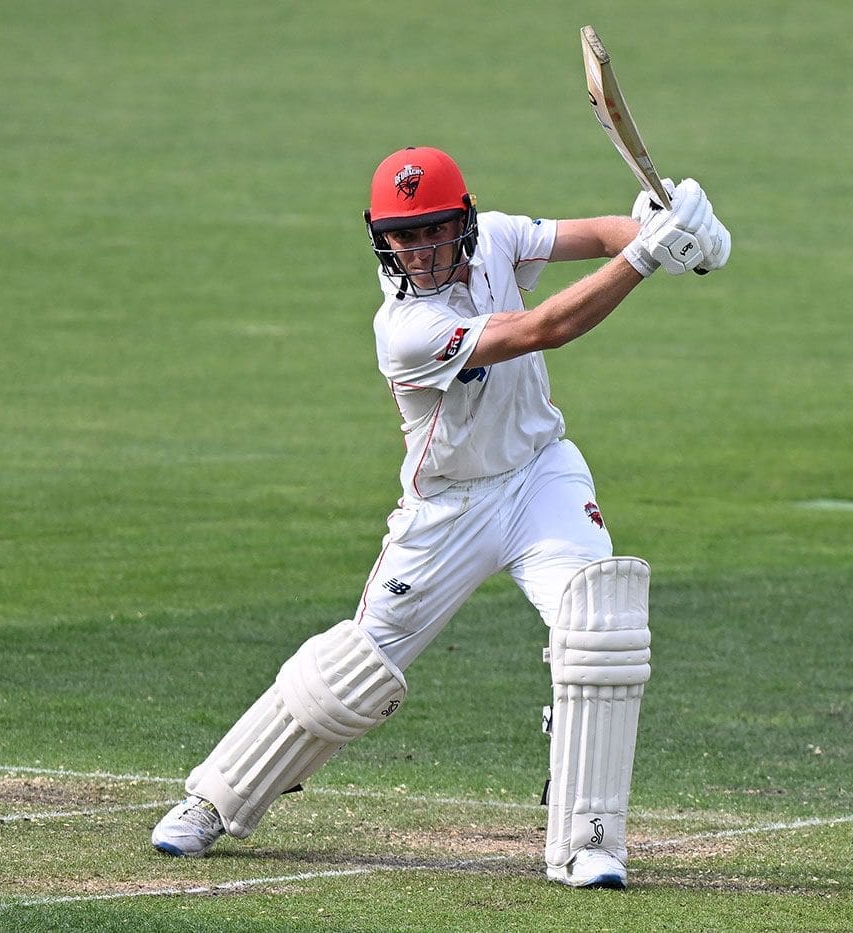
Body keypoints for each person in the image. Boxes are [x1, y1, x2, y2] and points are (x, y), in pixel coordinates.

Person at [151, 146, 730, 889]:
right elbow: (542, 329)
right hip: (446, 508)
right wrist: (649, 257)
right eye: (402, 235)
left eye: (431, 231)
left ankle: (589, 840)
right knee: (350, 671)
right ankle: (215, 797)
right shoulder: (404, 329)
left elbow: (598, 234)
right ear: (381, 239)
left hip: (539, 476)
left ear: (463, 219)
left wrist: (669, 230)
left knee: (600, 625)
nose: (417, 250)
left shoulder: (497, 237)